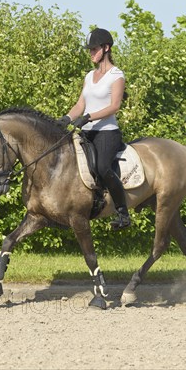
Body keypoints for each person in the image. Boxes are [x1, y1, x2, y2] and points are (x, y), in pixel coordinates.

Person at [58, 28, 130, 230]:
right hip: (86, 131)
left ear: (106, 48)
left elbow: (115, 106)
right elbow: (80, 104)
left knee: (102, 168)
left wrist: (89, 116)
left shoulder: (116, 75)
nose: (91, 53)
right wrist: (66, 118)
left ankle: (123, 213)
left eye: (94, 49)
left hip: (107, 132)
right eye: (89, 50)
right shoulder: (90, 76)